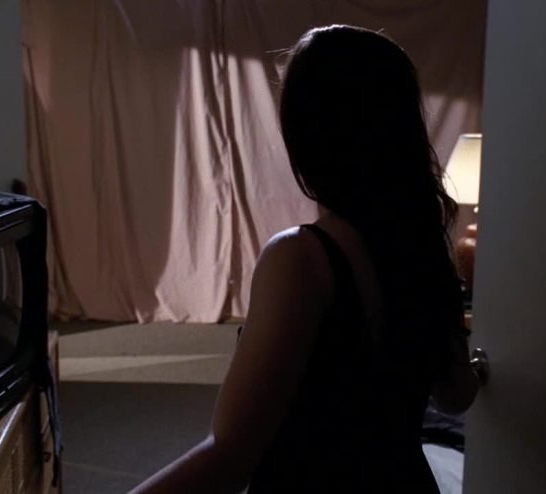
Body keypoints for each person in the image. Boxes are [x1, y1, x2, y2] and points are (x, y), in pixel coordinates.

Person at [130, 24, 479, 493]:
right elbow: (456, 395)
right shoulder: (422, 249)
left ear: (308, 133)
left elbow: (231, 454)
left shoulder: (301, 259)